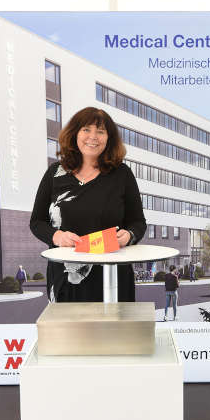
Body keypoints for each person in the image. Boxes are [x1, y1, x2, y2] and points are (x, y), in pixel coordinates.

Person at [30, 107, 146, 302]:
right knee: (70, 332)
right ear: (75, 133)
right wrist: (56, 236)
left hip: (112, 277)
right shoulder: (55, 173)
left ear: (109, 138)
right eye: (86, 129)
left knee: (113, 332)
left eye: (100, 131)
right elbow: (36, 222)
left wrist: (129, 235)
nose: (93, 137)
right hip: (66, 277)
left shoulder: (122, 174)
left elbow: (138, 222)